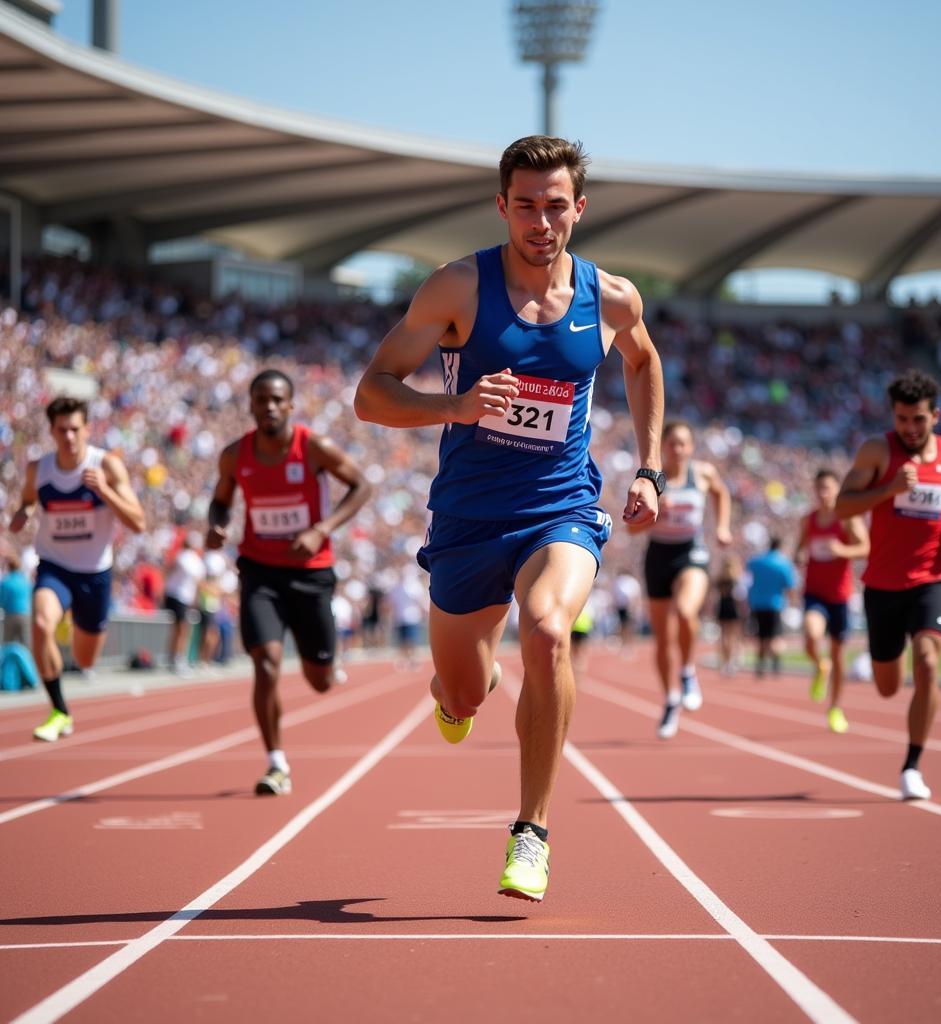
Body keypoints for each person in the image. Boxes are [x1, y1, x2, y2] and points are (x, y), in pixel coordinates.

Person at [354, 135, 664, 902]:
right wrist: (453, 405)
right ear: (502, 206)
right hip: (466, 520)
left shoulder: (611, 297)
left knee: (551, 631)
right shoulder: (456, 289)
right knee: (463, 693)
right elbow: (372, 392)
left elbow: (643, 361)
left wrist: (651, 468)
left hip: (560, 507)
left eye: (555, 204)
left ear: (578, 210)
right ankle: (463, 687)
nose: (540, 219)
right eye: (525, 204)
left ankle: (532, 832)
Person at [207, 369, 372, 796]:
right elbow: (221, 502)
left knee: (319, 681)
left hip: (311, 573)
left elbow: (361, 485)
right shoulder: (234, 455)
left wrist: (322, 529)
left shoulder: (312, 447)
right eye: (262, 400)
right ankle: (275, 762)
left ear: (291, 406)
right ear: (251, 406)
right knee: (265, 664)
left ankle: (328, 662)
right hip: (260, 571)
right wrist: (217, 525)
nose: (270, 407)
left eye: (278, 399)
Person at [836, 369, 941, 800]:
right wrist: (889, 488)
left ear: (934, 416)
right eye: (902, 419)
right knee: (887, 686)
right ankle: (877, 659)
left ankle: (912, 765)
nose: (910, 428)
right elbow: (843, 506)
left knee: (929, 662)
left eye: (918, 420)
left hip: (931, 580)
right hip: (882, 585)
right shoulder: (877, 451)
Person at [8, 396, 146, 741]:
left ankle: (75, 664)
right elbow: (27, 499)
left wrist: (103, 490)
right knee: (41, 623)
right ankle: (59, 710)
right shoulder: (38, 469)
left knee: (85, 659)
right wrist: (23, 512)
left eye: (75, 429)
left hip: (95, 574)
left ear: (87, 429)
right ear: (52, 431)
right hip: (54, 566)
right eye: (61, 430)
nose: (69, 436)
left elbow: (138, 522)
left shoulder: (107, 466)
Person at [633, 421, 731, 739]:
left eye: (683, 443)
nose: (678, 449)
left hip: (692, 552)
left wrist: (722, 527)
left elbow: (721, 493)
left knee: (687, 612)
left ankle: (688, 672)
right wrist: (655, 510)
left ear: (691, 446)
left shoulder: (703, 473)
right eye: (672, 443)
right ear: (662, 447)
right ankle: (670, 699)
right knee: (662, 640)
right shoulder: (652, 481)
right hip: (658, 556)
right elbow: (633, 529)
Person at [794, 469, 870, 734]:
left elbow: (865, 547)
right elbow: (799, 547)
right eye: (819, 489)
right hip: (814, 592)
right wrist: (799, 555)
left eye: (827, 488)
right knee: (811, 635)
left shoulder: (847, 519)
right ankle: (819, 665)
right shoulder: (809, 519)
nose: (823, 493)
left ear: (837, 490)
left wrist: (843, 550)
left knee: (839, 655)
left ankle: (835, 708)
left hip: (839, 595)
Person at [746, 537, 797, 677]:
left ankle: (760, 666)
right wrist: (793, 602)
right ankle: (775, 664)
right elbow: (790, 585)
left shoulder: (757, 561)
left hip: (757, 603)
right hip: (775, 604)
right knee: (775, 636)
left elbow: (747, 572)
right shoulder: (782, 563)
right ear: (779, 546)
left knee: (761, 636)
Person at [163, 531, 206, 675]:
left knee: (180, 630)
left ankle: (175, 658)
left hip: (182, 597)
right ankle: (176, 659)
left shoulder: (189, 558)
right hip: (179, 597)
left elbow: (196, 583)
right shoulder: (186, 558)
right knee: (181, 630)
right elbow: (198, 582)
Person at [714, 554, 745, 676]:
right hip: (733, 607)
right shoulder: (736, 579)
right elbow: (741, 596)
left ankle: (725, 663)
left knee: (724, 636)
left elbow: (714, 597)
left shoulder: (720, 579)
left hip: (722, 607)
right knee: (733, 636)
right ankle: (731, 662)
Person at [1, 545, 32, 646]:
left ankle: (7, 662)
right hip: (25, 615)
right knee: (26, 644)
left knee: (7, 644)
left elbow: (2, 599)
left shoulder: (6, 582)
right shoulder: (25, 580)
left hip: (10, 615)